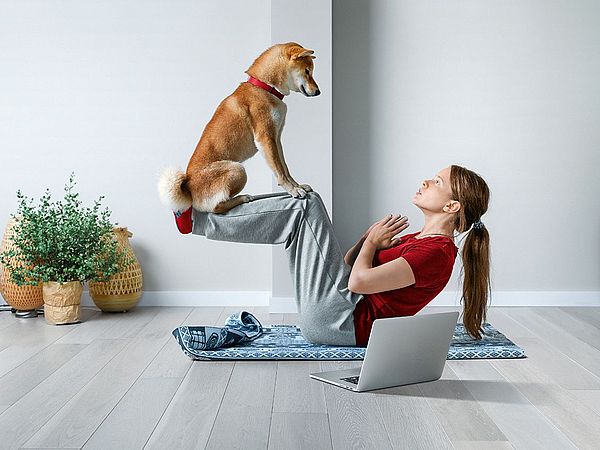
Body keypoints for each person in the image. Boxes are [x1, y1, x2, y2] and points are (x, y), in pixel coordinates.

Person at [184, 164, 491, 346]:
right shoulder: (418, 239)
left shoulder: (436, 253)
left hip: (342, 322)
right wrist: (364, 242)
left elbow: (358, 284)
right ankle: (200, 218)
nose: (426, 181)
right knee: (302, 206)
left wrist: (371, 244)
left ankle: (198, 220)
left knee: (305, 204)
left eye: (437, 182)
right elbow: (345, 270)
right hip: (337, 312)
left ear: (452, 207)